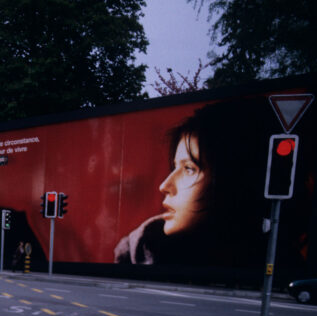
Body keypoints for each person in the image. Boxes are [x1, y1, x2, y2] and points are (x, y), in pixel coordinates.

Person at [113, 98, 277, 278]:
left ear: (233, 182)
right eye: (175, 167)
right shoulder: (134, 250)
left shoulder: (272, 261)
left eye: (189, 169)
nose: (164, 186)